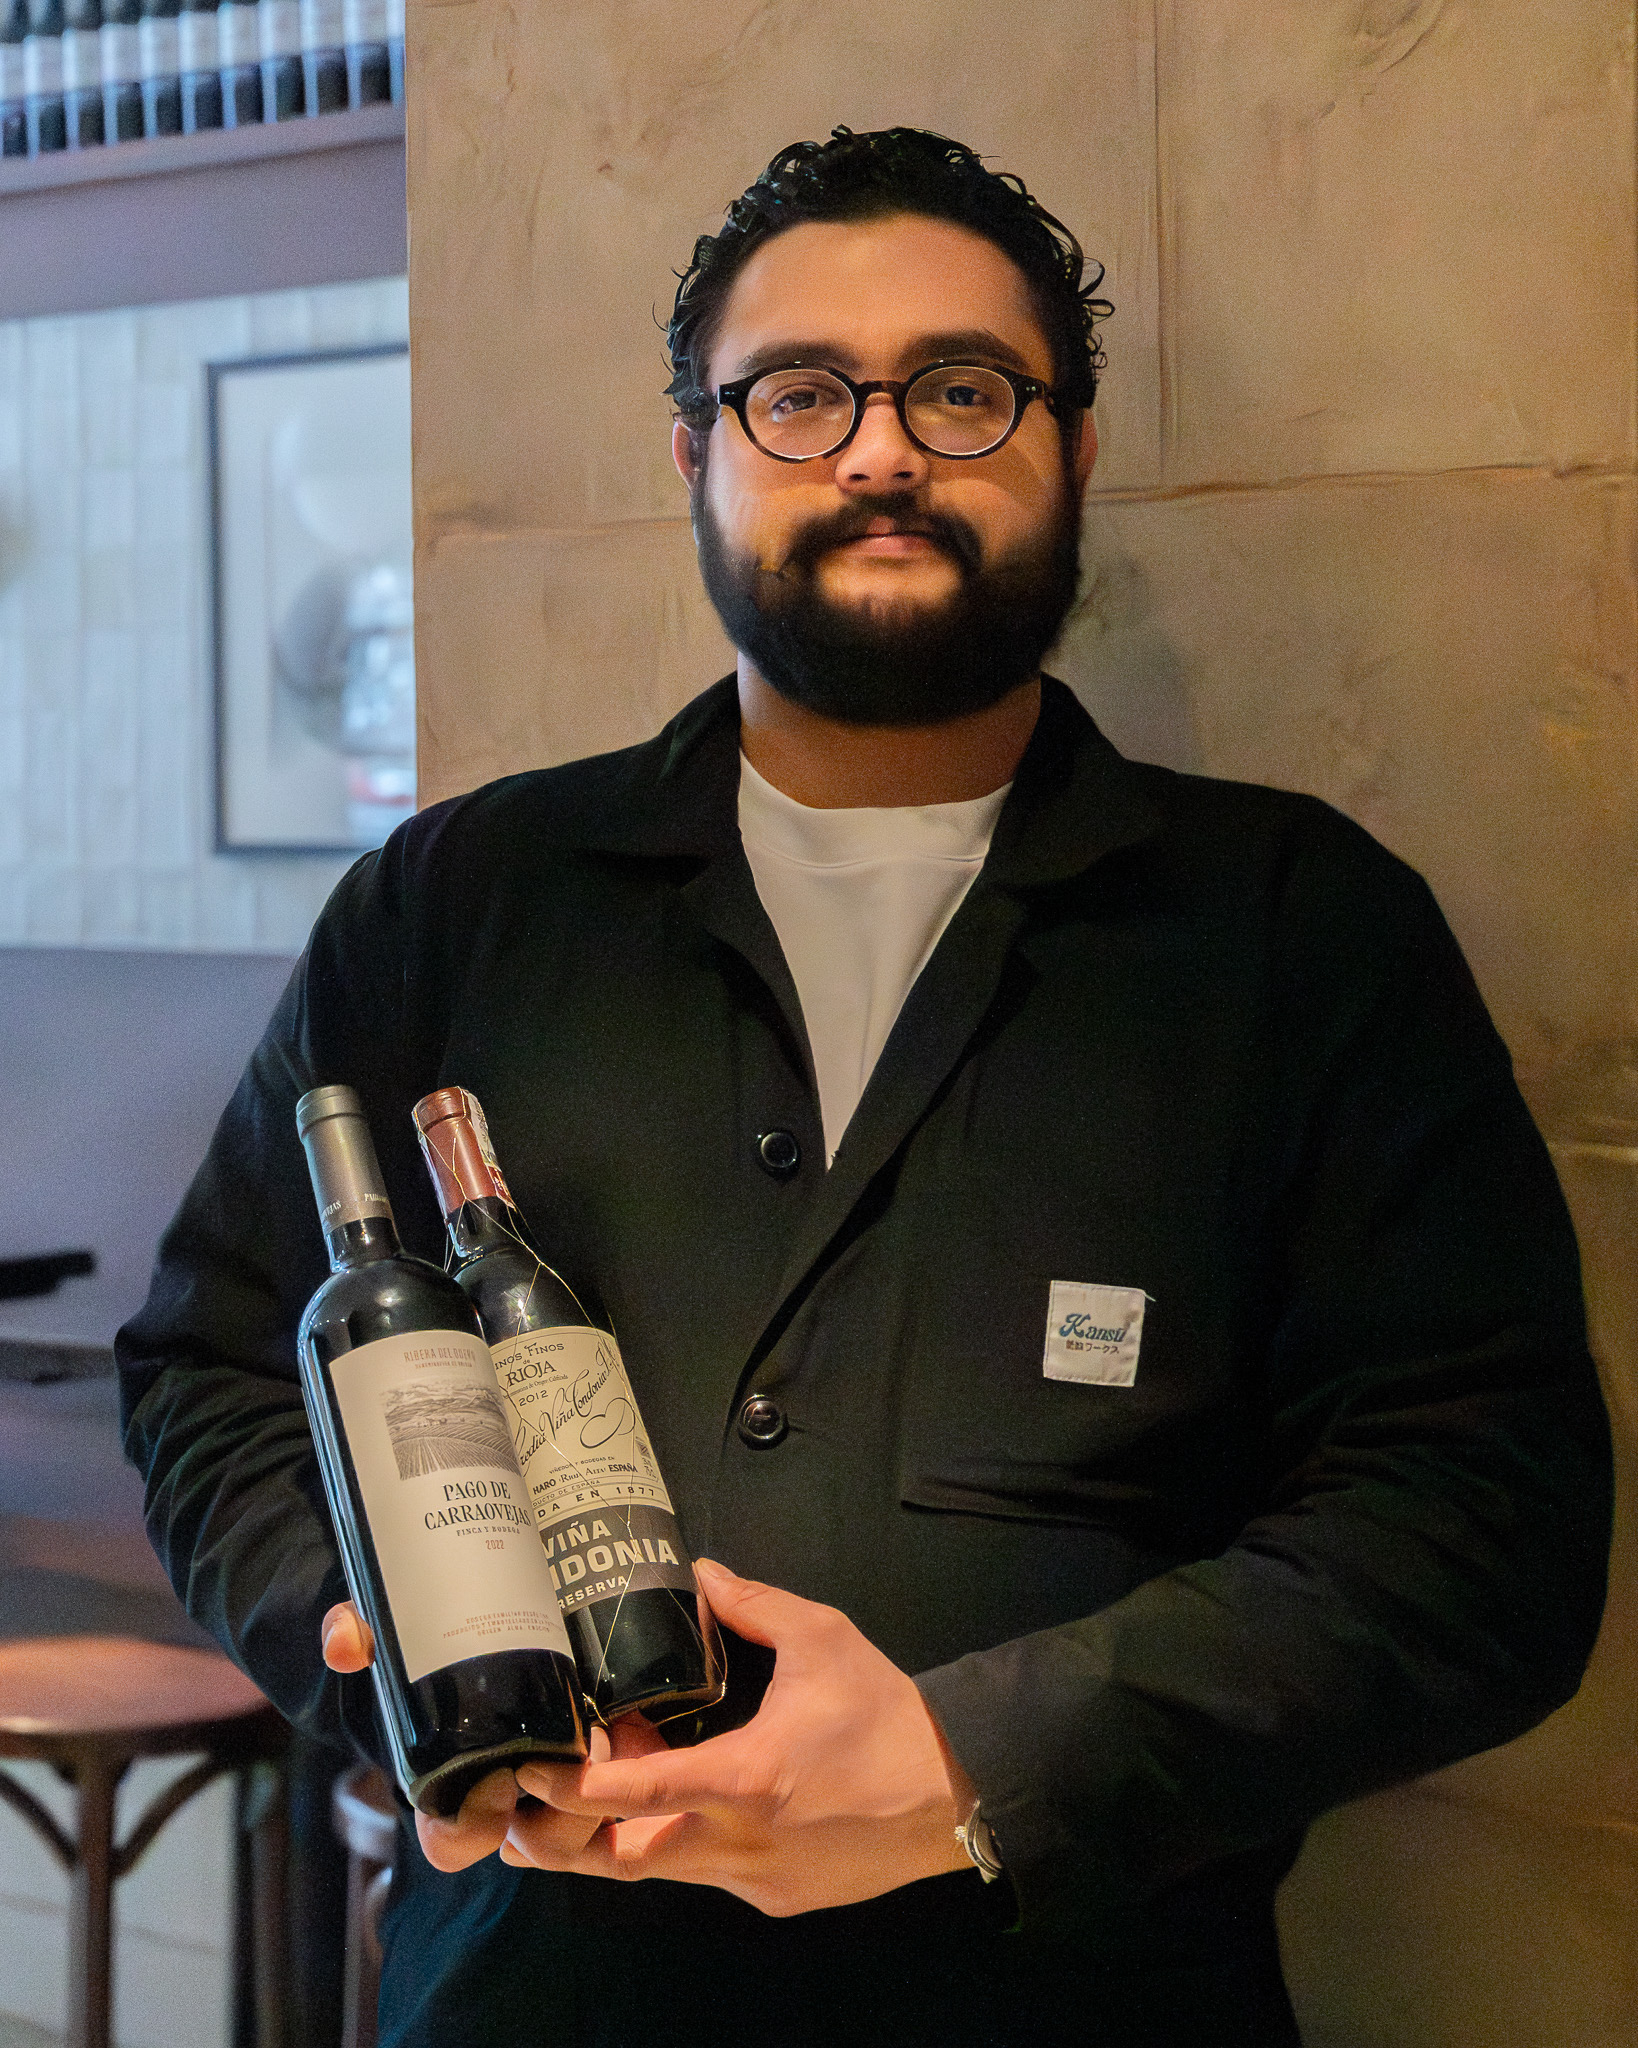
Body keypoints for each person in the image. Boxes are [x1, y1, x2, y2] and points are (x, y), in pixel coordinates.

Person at [117, 128, 1612, 2047]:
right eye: (799, 395)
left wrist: (962, 1761)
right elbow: (219, 1368)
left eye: (961, 391)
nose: (881, 451)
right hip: (524, 2003)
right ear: (697, 457)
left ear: (1069, 450)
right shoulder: (462, 900)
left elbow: (1475, 1523)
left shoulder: (1295, 933)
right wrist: (398, 1653)